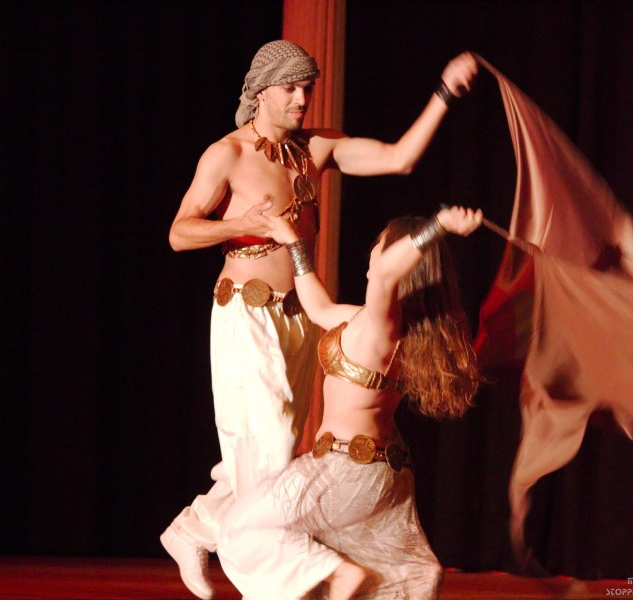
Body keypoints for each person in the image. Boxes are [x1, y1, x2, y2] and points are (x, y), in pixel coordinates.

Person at [161, 39, 478, 600]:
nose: (302, 99)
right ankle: (273, 574)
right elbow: (179, 233)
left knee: (276, 452)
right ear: (262, 91)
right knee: (264, 449)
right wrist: (240, 225)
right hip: (247, 312)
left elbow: (399, 158)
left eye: (307, 88)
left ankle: (199, 526)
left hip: (303, 317)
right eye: (291, 88)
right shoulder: (226, 155)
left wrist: (444, 93)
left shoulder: (315, 149)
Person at [216, 205, 484, 599]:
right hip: (373, 470)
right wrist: (294, 244)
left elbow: (387, 272)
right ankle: (340, 576)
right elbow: (319, 308)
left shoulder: (383, 323)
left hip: (348, 471)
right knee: (330, 567)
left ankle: (340, 575)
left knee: (239, 529)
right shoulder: (374, 321)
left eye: (380, 243)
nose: (373, 252)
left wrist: (438, 225)